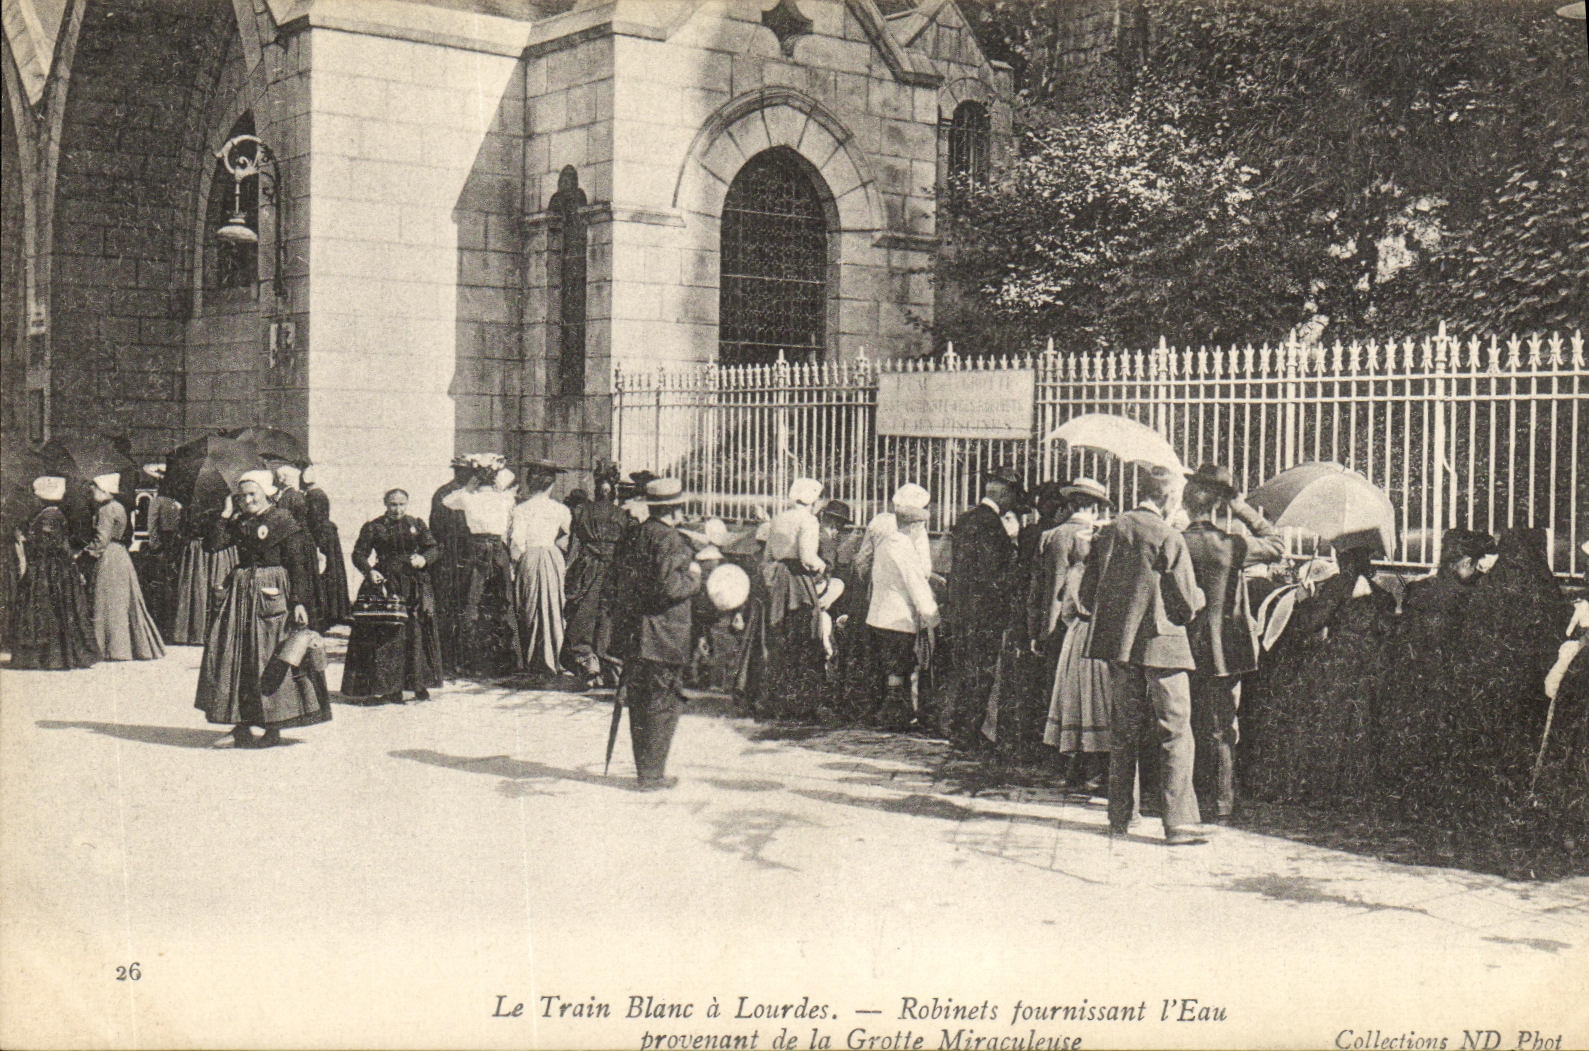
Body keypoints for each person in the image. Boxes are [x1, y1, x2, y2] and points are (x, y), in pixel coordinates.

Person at [1079, 465, 1208, 844]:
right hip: (1165, 647)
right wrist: (1197, 598)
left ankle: (1120, 816)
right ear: (1168, 498)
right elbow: (1185, 604)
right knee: (1175, 732)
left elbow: (1087, 597)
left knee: (1124, 732)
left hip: (1119, 648)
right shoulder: (1169, 536)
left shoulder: (1108, 533)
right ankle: (1179, 823)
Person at [1178, 464, 1285, 823]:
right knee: (1222, 728)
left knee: (1183, 725)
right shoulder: (1231, 545)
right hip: (1225, 650)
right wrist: (1240, 506)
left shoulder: (1175, 541)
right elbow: (1276, 545)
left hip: (1182, 644)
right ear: (1216, 507)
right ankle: (1222, 806)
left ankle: (1185, 800)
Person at [194, 470, 332, 748]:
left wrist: (299, 602)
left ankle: (273, 727)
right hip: (242, 595)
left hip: (273, 593)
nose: (247, 500)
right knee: (238, 657)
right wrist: (225, 513)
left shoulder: (282, 521)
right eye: (242, 496)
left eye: (252, 494)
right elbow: (213, 545)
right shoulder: (241, 521)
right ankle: (241, 725)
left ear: (267, 492)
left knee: (270, 657)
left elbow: (298, 565)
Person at [607, 478, 703, 790]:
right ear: (675, 509)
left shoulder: (636, 534)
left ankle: (644, 770)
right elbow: (670, 587)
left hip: (635, 631)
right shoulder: (671, 540)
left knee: (639, 702)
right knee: (662, 704)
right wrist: (695, 579)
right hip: (663, 633)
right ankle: (652, 775)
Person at [1038, 478, 1115, 789]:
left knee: (1072, 702)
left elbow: (1067, 608)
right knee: (1098, 703)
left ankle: (1073, 766)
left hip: (1077, 638)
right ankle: (1097, 770)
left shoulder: (1075, 570)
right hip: (1100, 640)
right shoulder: (1110, 575)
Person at [945, 468, 1022, 748]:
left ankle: (959, 727)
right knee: (981, 671)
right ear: (1005, 493)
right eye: (1013, 496)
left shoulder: (965, 520)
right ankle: (968, 732)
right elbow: (994, 576)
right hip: (984, 612)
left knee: (965, 669)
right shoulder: (993, 526)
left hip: (962, 609)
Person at [342, 489, 443, 703]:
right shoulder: (374, 527)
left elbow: (433, 548)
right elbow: (358, 554)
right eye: (392, 504)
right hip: (385, 584)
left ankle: (417, 684)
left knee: (414, 633)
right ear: (385, 504)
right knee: (387, 635)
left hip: (413, 583)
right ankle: (386, 687)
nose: (397, 509)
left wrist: (424, 559)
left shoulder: (416, 524)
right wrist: (370, 571)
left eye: (401, 504)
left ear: (407, 504)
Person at [865, 484, 940, 729]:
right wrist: (932, 616)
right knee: (900, 667)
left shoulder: (887, 541)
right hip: (899, 617)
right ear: (916, 525)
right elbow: (916, 584)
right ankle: (895, 717)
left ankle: (888, 714)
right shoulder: (905, 548)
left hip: (879, 613)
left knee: (888, 667)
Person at [8, 477, 99, 669]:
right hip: (59, 569)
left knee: (44, 609)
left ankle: (47, 657)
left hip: (46, 569)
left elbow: (47, 545)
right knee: (60, 610)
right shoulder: (56, 514)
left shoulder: (47, 517)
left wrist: (24, 540)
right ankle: (60, 655)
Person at [757, 477, 829, 717]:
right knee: (804, 637)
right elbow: (807, 556)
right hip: (798, 582)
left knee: (780, 639)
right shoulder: (808, 520)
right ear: (813, 500)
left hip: (778, 580)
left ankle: (776, 700)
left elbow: (768, 555)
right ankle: (802, 703)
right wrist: (822, 567)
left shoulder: (778, 518)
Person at [441, 463, 522, 676]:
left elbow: (447, 501)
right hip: (496, 550)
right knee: (502, 601)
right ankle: (504, 659)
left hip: (476, 549)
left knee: (472, 601)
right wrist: (500, 484)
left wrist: (468, 488)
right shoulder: (505, 498)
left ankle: (468, 660)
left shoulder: (468, 497)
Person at [83, 473, 165, 662]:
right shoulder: (119, 507)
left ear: (104, 489)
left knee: (106, 601)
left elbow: (101, 540)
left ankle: (107, 648)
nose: (92, 491)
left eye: (94, 488)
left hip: (108, 556)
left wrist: (86, 553)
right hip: (121, 555)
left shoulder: (106, 510)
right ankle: (123, 647)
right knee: (121, 602)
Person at [564, 461, 627, 685]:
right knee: (608, 616)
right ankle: (609, 664)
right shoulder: (623, 515)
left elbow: (574, 548)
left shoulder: (582, 512)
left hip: (587, 569)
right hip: (612, 571)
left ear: (596, 485)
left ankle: (587, 662)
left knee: (583, 614)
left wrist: (569, 572)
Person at [507, 462, 572, 676]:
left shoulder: (521, 509)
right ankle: (555, 656)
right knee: (554, 605)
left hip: (531, 556)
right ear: (551, 485)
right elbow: (566, 538)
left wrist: (514, 565)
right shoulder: (561, 509)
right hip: (552, 557)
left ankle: (533, 659)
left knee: (530, 605)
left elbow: (517, 542)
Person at [170, 500, 239, 645]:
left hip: (202, 549)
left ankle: (197, 631)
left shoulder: (192, 504)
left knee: (200, 588)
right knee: (206, 587)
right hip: (212, 548)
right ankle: (203, 632)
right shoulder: (224, 503)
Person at [429, 456, 475, 675]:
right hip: (451, 557)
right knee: (450, 608)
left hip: (463, 556)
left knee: (459, 607)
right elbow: (437, 527)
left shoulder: (468, 494)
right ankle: (448, 659)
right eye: (461, 470)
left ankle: (457, 658)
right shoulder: (447, 494)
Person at [301, 465, 352, 631]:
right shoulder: (316, 494)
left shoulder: (314, 495)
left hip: (321, 539)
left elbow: (315, 520)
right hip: (326, 537)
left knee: (323, 575)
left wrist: (316, 545)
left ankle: (327, 613)